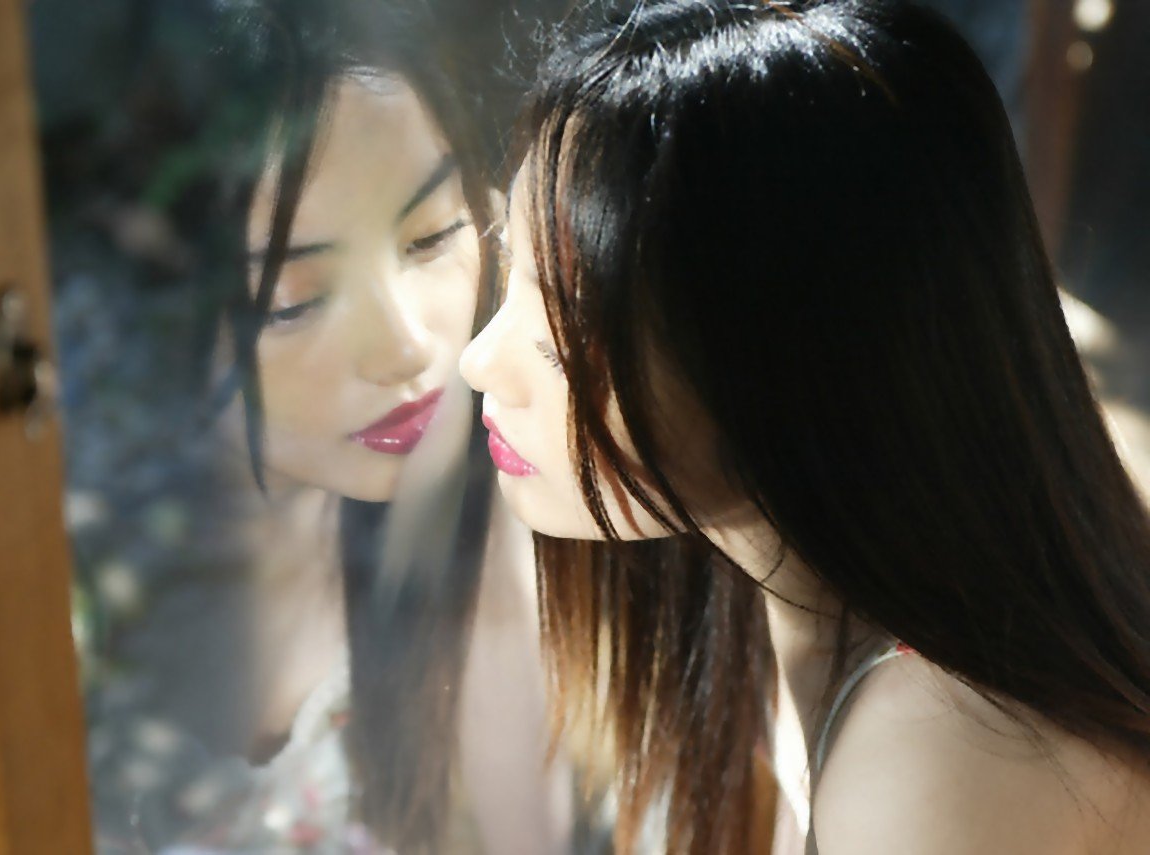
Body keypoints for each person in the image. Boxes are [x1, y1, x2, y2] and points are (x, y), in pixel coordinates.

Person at [459, 1, 1150, 853]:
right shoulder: (748, 588)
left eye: (566, 323)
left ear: (782, 359)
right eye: (510, 265)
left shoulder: (937, 767)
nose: (480, 361)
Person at [82, 1, 581, 853]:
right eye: (294, 299)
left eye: (431, 237)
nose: (406, 345)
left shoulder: (481, 507)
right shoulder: (77, 562)